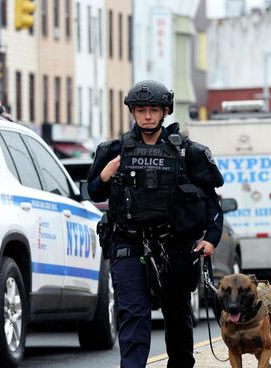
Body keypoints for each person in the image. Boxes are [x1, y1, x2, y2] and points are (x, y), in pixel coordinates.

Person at [87, 80, 224, 368]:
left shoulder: (189, 153)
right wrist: (105, 175)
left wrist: (211, 237)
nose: (147, 116)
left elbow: (211, 200)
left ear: (165, 112)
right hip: (128, 242)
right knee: (133, 314)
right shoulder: (113, 151)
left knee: (177, 316)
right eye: (141, 110)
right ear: (132, 112)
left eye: (153, 109)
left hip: (174, 245)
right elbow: (94, 192)